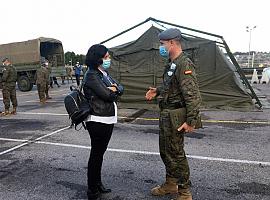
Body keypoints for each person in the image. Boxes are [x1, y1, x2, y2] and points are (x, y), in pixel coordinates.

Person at [145, 28, 202, 200]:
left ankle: (184, 191)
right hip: (167, 115)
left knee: (176, 153)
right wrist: (158, 90)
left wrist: (191, 121)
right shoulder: (173, 63)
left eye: (162, 44)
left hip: (176, 116)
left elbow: (193, 95)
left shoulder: (184, 63)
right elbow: (173, 86)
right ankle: (171, 184)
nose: (161, 47)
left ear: (171, 43)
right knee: (166, 151)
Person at [83, 44, 124, 200]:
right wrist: (114, 90)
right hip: (97, 120)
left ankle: (97, 183)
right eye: (106, 57)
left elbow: (121, 87)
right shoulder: (92, 75)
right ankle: (92, 190)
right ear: (97, 58)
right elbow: (108, 95)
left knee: (99, 154)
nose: (108, 59)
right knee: (96, 154)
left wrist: (116, 88)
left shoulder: (103, 73)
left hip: (106, 118)